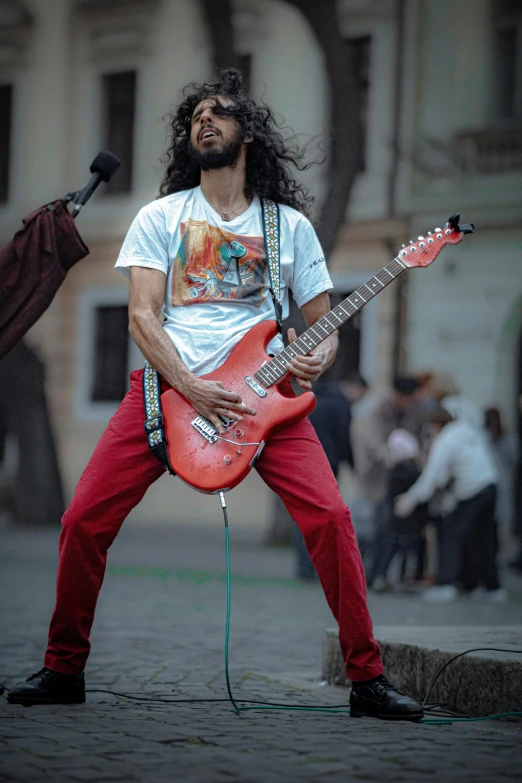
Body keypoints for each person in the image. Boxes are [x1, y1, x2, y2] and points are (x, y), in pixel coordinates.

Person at [7, 69, 423, 721]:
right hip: (165, 394)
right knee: (82, 521)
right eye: (196, 114)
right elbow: (142, 317)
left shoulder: (289, 227)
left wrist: (319, 354)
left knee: (334, 520)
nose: (204, 119)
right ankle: (63, 668)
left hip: (265, 402)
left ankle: (367, 679)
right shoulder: (161, 216)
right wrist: (192, 385)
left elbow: (322, 326)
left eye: (220, 112)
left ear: (248, 135)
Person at [395, 401, 502, 602]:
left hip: (472, 490)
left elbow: (433, 478)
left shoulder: (446, 440)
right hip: (490, 485)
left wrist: (409, 500)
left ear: (436, 425)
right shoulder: (466, 429)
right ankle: (492, 587)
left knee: (451, 534)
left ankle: (446, 584)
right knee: (483, 539)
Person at [292, 372, 368, 580]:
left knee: (303, 515)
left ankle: (304, 566)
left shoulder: (314, 398)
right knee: (322, 517)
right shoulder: (341, 405)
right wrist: (353, 467)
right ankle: (315, 566)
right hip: (326, 466)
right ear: (357, 388)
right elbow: (344, 440)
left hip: (301, 463)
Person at [370, 429, 428, 592]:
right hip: (409, 521)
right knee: (404, 550)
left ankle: (381, 576)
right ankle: (399, 579)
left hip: (393, 519)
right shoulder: (414, 472)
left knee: (389, 547)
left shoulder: (395, 472)